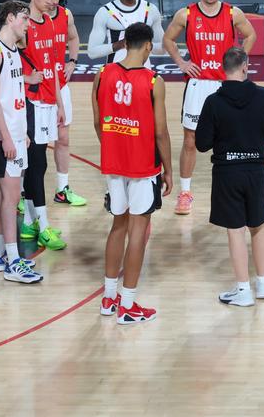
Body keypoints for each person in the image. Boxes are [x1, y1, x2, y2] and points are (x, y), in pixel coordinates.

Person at [93, 22, 172, 325]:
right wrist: (168, 169)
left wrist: (114, 145)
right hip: (142, 165)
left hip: (113, 162)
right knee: (138, 231)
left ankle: (108, 297)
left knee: (117, 226)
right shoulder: (154, 80)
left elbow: (100, 122)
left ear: (124, 43)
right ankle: (127, 305)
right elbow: (161, 132)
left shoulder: (102, 75)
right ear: (149, 46)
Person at [162, 0, 258, 216]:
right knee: (190, 141)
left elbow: (251, 35)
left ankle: (233, 189)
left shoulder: (232, 13)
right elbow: (168, 39)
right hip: (198, 84)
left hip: (225, 84)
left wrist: (239, 61)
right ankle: (185, 192)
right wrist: (181, 63)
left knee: (230, 139)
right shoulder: (186, 14)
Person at [195, 48, 264, 307]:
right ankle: (263, 284)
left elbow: (201, 144)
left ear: (224, 68)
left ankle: (243, 290)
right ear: (246, 66)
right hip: (256, 171)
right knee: (258, 226)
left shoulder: (213, 101)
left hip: (227, 172)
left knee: (235, 230)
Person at [0, 0, 44, 283]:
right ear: (12, 18)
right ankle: (14, 261)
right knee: (12, 196)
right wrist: (5, 136)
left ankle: (1, 254)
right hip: (0, 134)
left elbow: (12, 94)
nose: (29, 24)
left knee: (5, 194)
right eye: (25, 19)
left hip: (14, 131)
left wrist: (21, 131)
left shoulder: (13, 51)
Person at [17, 0, 67, 251]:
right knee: (36, 165)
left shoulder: (48, 21)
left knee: (40, 164)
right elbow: (6, 66)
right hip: (31, 103)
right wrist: (27, 80)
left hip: (48, 101)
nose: (52, 2)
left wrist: (59, 102)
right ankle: (43, 226)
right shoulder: (21, 25)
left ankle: (28, 223)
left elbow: (56, 68)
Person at [49, 0, 87, 207]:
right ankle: (23, 193)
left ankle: (62, 189)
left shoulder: (65, 14)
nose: (53, 0)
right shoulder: (25, 19)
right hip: (35, 89)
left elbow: (73, 38)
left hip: (60, 84)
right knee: (30, 143)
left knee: (63, 138)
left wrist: (72, 61)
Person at [87, 0, 165, 66]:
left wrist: (142, 44)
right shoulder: (105, 12)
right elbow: (92, 52)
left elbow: (163, 48)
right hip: (115, 73)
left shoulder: (150, 9)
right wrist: (120, 44)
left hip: (143, 72)